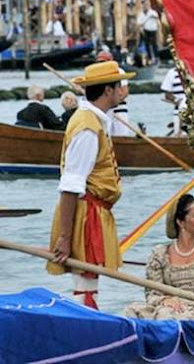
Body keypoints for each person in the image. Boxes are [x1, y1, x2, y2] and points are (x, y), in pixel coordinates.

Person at [46, 61, 134, 308]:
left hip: (93, 211)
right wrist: (65, 236)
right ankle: (86, 326)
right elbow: (71, 183)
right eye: (119, 86)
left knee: (89, 281)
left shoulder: (93, 120)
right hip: (86, 214)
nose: (122, 91)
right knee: (85, 284)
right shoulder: (87, 127)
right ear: (108, 90)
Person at [124, 194, 194, 321]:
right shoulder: (159, 254)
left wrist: (183, 302)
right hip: (169, 309)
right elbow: (153, 294)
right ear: (181, 222)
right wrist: (166, 300)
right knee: (132, 311)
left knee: (171, 317)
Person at [97, 50, 135, 137]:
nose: (102, 64)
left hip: (119, 109)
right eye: (100, 62)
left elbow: (125, 91)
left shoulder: (119, 72)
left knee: (121, 135)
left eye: (104, 61)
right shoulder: (97, 74)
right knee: (106, 136)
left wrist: (113, 102)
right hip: (105, 110)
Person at [161, 66, 187, 136]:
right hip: (179, 109)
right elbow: (168, 95)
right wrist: (177, 100)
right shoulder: (172, 73)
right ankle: (179, 132)